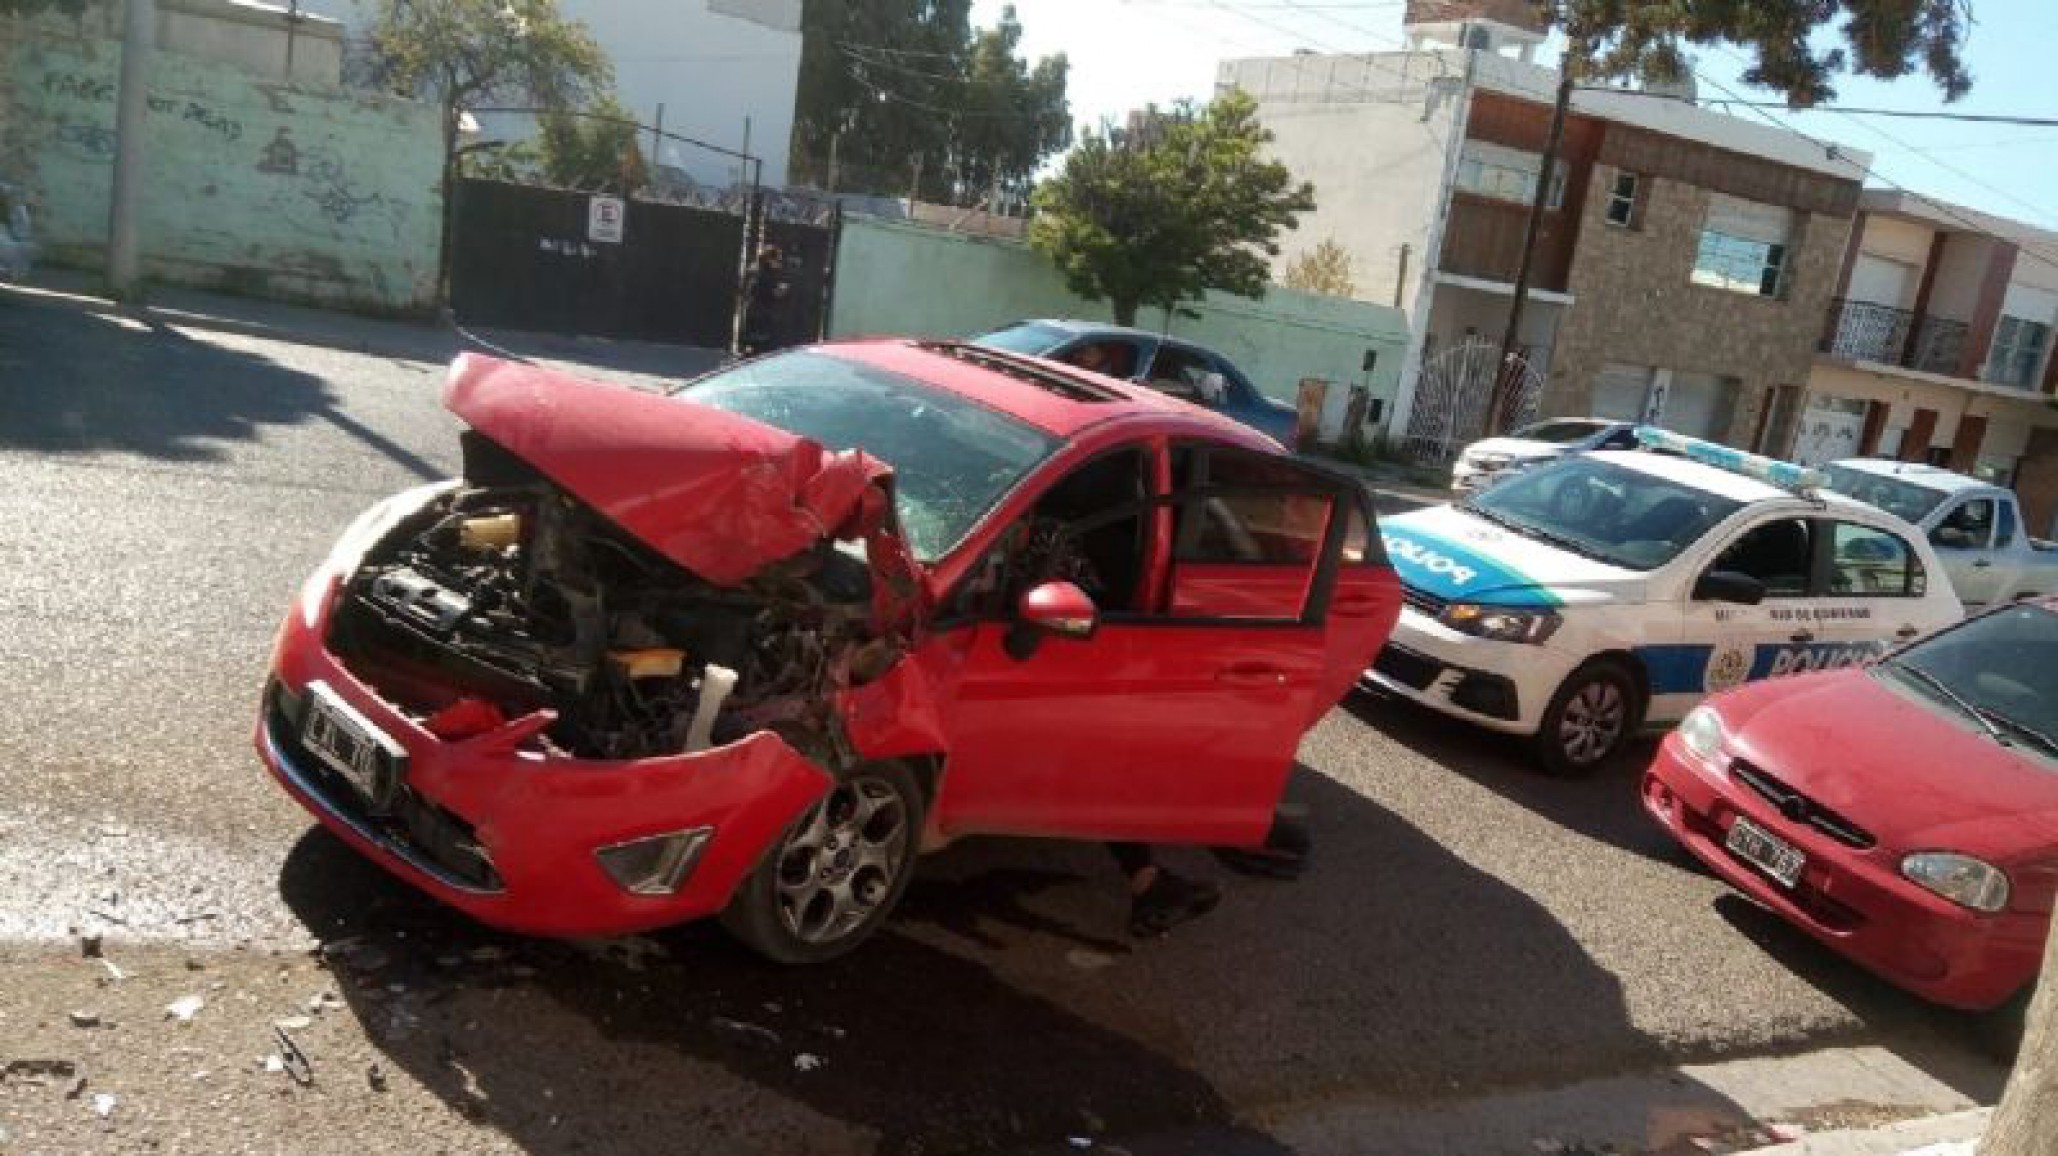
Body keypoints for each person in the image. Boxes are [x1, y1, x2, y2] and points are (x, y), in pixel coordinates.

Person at [739, 244, 790, 357]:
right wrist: (780, 290)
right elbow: (768, 293)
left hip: (754, 310)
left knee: (753, 344)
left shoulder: (756, 270)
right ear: (769, 259)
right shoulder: (765, 274)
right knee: (761, 345)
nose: (779, 263)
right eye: (778, 259)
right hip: (762, 313)